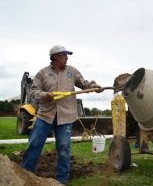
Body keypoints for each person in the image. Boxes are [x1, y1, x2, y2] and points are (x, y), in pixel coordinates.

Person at [22, 45, 102, 184]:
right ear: (54, 57)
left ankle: (62, 180)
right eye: (64, 55)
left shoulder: (72, 71)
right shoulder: (43, 73)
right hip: (45, 116)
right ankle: (26, 174)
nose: (67, 57)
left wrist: (93, 86)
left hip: (66, 116)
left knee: (64, 147)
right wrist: (45, 95)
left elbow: (84, 84)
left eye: (67, 55)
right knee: (34, 144)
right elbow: (34, 91)